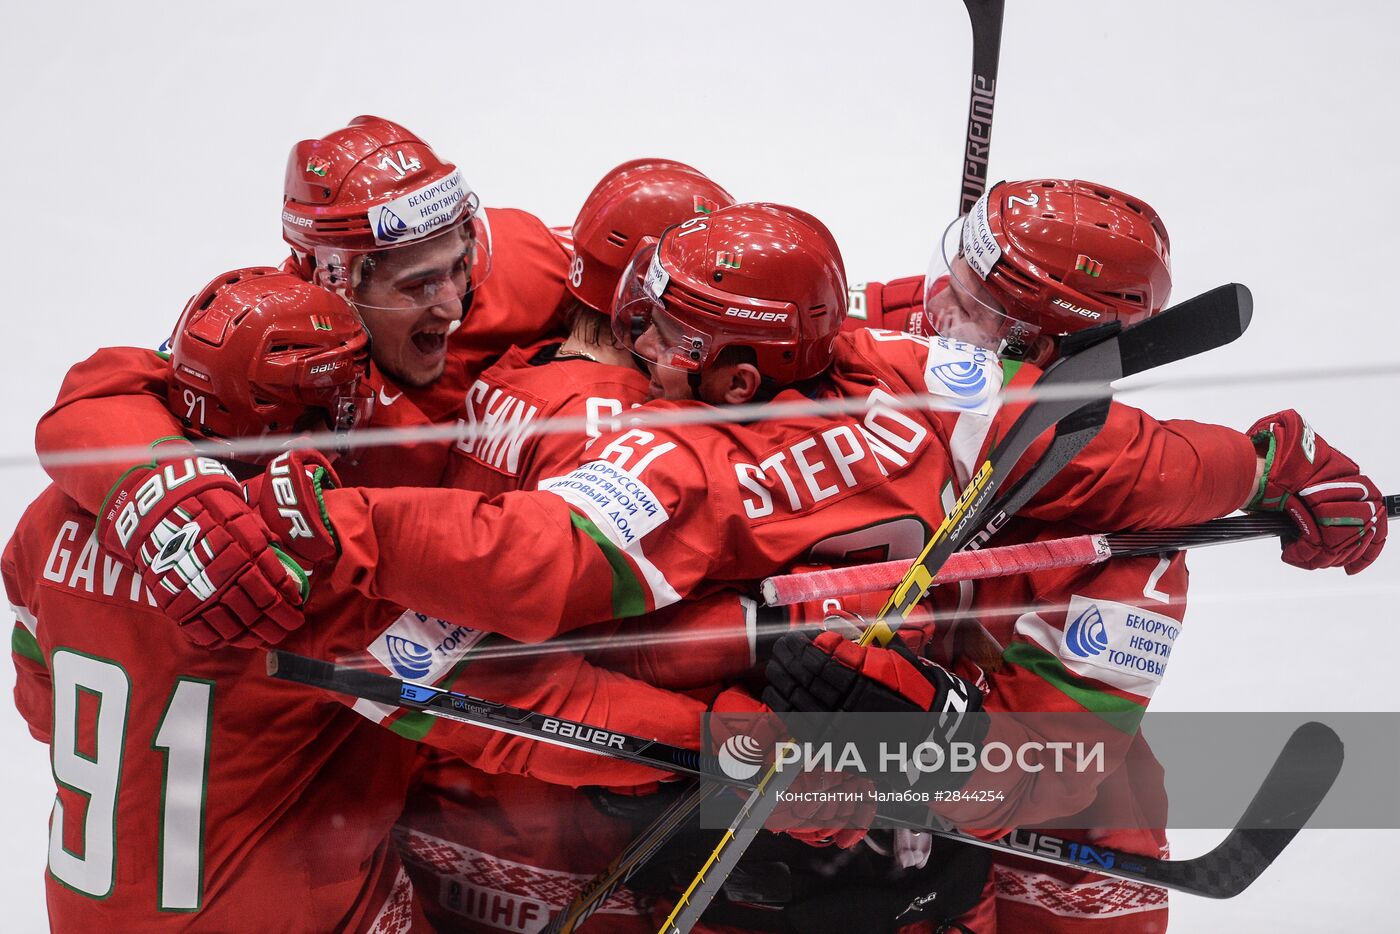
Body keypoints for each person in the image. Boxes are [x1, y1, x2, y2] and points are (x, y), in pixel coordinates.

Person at [764, 179, 1388, 932]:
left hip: (1039, 830)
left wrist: (918, 733)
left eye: (974, 309)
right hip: (834, 812)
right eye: (952, 275)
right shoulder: (908, 339)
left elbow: (1052, 768)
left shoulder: (1133, 547)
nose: (934, 311)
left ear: (1053, 350)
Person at [30, 115, 576, 644]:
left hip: (502, 567)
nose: (452, 306)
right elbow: (99, 398)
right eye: (417, 285)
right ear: (333, 277)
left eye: (460, 263)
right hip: (398, 615)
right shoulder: (271, 343)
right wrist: (166, 496)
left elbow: (623, 266)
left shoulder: (520, 259)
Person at [6, 268, 429, 931]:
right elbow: (497, 715)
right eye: (341, 401)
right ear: (295, 415)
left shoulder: (47, 521)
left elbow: (41, 700)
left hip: (86, 910)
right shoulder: (296, 567)